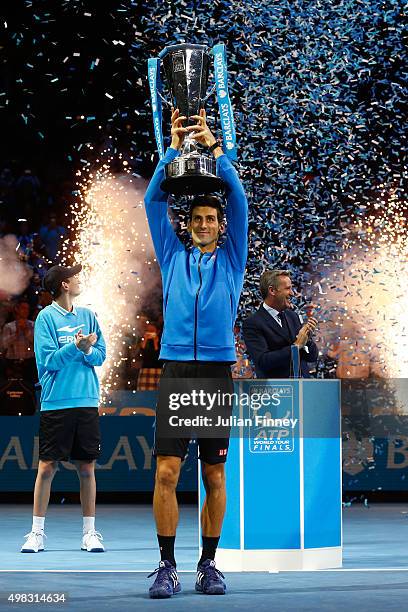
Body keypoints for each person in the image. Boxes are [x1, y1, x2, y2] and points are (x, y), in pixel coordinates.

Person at [144, 108, 248, 597]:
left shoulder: (232, 258)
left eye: (211, 218)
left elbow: (241, 201)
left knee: (214, 472)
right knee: (166, 470)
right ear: (187, 225)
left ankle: (209, 562)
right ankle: (167, 565)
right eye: (197, 219)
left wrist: (217, 149)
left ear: (220, 226)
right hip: (177, 370)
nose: (205, 224)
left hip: (215, 373)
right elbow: (152, 199)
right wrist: (172, 150)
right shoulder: (172, 255)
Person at [20, 264, 106, 553]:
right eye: (74, 276)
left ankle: (90, 534)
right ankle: (36, 533)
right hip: (56, 402)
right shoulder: (45, 318)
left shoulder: (89, 315)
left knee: (86, 468)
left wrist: (89, 350)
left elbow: (101, 356)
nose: (79, 278)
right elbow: (48, 362)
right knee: (47, 467)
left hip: (86, 401)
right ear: (64, 285)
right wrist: (77, 347)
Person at [242, 270, 318, 378]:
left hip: (303, 389)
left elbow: (312, 357)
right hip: (277, 391)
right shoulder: (253, 323)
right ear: (272, 290)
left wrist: (307, 339)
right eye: (287, 288)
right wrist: (296, 347)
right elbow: (263, 362)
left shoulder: (293, 317)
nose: (292, 293)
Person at [1, 300, 35, 384]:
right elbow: (3, 345)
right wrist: (16, 333)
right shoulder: (8, 326)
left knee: (29, 386)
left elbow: (37, 343)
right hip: (12, 362)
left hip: (29, 361)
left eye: (27, 309)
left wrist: (26, 331)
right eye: (23, 308)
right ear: (17, 309)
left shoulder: (33, 325)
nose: (26, 311)